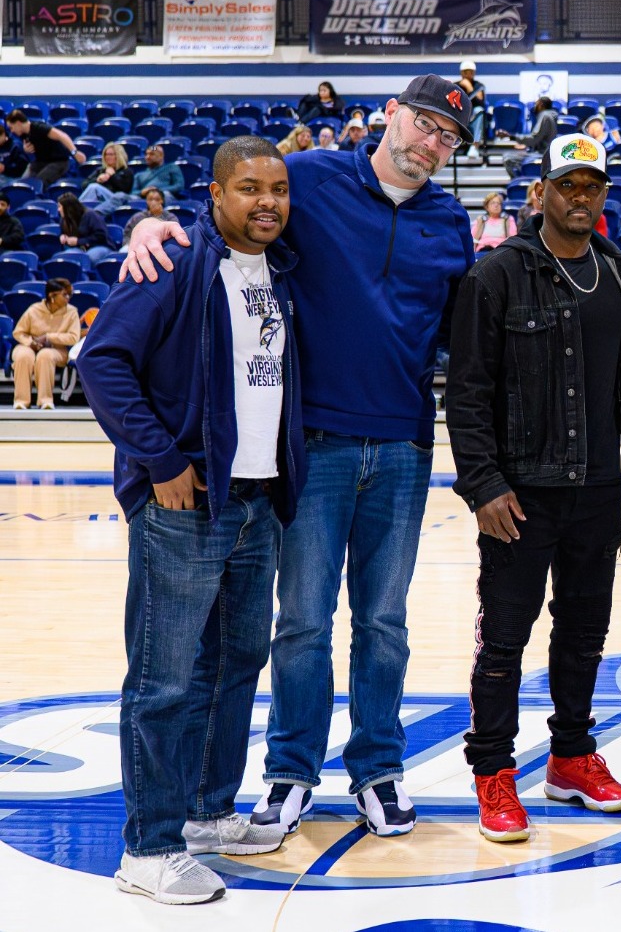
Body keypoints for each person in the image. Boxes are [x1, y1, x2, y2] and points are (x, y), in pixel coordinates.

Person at [125, 74, 477, 840]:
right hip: (310, 442)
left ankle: (378, 769)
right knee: (304, 622)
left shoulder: (451, 221)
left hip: (404, 444)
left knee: (384, 622)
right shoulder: (310, 181)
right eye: (423, 124)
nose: (430, 144)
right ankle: (290, 772)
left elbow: (460, 333)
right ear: (390, 115)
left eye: (447, 137)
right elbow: (229, 218)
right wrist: (150, 228)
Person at [80, 136, 304, 905]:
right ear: (214, 196)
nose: (267, 201)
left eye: (277, 187)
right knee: (163, 679)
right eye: (248, 188)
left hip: (256, 500)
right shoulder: (173, 262)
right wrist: (160, 461)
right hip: (186, 502)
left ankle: (207, 812)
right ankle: (147, 847)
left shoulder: (281, 270)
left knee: (235, 666)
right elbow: (100, 358)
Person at [447, 132, 621, 842]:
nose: (580, 197)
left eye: (591, 186)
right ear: (536, 193)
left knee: (583, 633)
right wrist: (483, 484)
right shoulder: (498, 275)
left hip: (599, 489)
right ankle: (493, 770)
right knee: (505, 640)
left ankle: (572, 756)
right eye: (566, 185)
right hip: (519, 492)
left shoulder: (618, 272)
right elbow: (468, 392)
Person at [10, 277, 81, 409]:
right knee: (23, 356)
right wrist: (31, 342)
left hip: (57, 349)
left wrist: (49, 337)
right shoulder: (34, 309)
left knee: (45, 355)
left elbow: (73, 337)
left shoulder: (72, 312)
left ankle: (45, 400)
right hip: (29, 345)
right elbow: (18, 332)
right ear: (52, 295)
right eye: (65, 294)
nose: (68, 298)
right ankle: (21, 401)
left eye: (69, 294)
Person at [5, 110, 84, 185]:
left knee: (38, 183)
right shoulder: (23, 134)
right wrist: (26, 149)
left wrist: (75, 152)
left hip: (59, 162)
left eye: (11, 127)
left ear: (18, 123)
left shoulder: (39, 128)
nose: (11, 131)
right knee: (23, 185)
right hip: (41, 162)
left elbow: (62, 136)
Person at [507, 97, 559, 177]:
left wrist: (512, 137)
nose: (535, 106)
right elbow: (541, 138)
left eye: (536, 104)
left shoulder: (545, 116)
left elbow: (534, 138)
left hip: (541, 154)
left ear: (541, 104)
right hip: (545, 152)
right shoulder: (551, 115)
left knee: (508, 158)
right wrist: (526, 145)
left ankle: (522, 181)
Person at [80, 142, 135, 215]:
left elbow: (125, 189)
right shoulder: (100, 170)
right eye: (106, 154)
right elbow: (84, 185)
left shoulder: (126, 171)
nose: (107, 157)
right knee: (93, 187)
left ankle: (77, 210)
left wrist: (112, 176)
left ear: (119, 156)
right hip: (101, 199)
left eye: (111, 154)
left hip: (117, 200)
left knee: (94, 187)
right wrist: (97, 180)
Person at [59, 193, 111, 259]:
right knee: (68, 257)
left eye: (60, 206)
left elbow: (101, 236)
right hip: (79, 248)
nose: (58, 209)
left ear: (67, 208)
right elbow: (64, 233)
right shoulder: (64, 220)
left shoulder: (90, 215)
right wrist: (63, 236)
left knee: (88, 258)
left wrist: (79, 241)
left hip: (100, 246)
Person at [457, 60, 488, 156]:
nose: (468, 74)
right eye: (465, 72)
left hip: (473, 117)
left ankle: (474, 145)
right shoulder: (455, 86)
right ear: (461, 73)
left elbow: (480, 102)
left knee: (479, 110)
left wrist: (469, 87)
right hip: (460, 114)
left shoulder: (479, 86)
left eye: (470, 71)